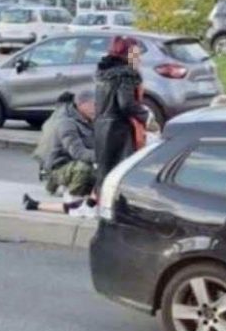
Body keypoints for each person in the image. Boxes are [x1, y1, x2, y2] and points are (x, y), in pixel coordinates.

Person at [23, 89, 97, 217]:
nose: (97, 108)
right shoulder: (66, 122)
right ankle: (72, 194)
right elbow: (78, 153)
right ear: (81, 104)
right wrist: (104, 157)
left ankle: (37, 202)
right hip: (60, 167)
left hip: (69, 165)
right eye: (94, 105)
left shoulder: (89, 119)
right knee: (84, 169)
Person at [93, 35, 151, 192]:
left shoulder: (103, 72)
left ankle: (100, 204)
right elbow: (126, 104)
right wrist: (146, 117)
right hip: (120, 129)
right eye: (136, 54)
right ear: (129, 53)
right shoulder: (127, 73)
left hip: (102, 127)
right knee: (122, 171)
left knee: (105, 170)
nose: (139, 59)